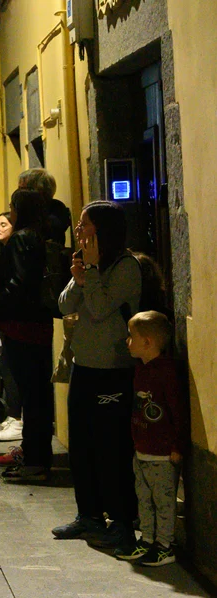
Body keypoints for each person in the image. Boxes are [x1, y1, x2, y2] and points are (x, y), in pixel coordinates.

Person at [53, 201, 142, 554]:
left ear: (103, 229)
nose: (78, 231)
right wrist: (80, 276)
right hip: (84, 367)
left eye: (84, 224)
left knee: (111, 449)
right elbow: (64, 305)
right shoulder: (89, 264)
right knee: (82, 448)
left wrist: (89, 272)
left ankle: (121, 523)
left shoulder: (125, 267)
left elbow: (102, 308)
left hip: (113, 371)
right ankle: (88, 515)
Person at [0, 189, 54, 481]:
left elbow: (18, 282)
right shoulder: (37, 236)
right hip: (35, 324)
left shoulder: (22, 238)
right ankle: (34, 455)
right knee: (35, 394)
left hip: (22, 325)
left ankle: (35, 460)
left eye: (12, 206)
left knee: (31, 395)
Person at [113, 311, 184, 566]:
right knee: (144, 500)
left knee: (163, 502)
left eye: (131, 336)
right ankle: (147, 539)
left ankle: (165, 545)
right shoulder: (140, 369)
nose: (127, 341)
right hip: (141, 450)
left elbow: (177, 411)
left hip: (162, 454)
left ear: (148, 342)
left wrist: (177, 446)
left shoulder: (166, 372)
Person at [0, 211, 24, 443]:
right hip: (6, 319)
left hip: (13, 319)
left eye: (4, 224)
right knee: (7, 366)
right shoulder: (2, 253)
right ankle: (14, 415)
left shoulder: (15, 253)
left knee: (13, 367)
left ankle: (17, 419)